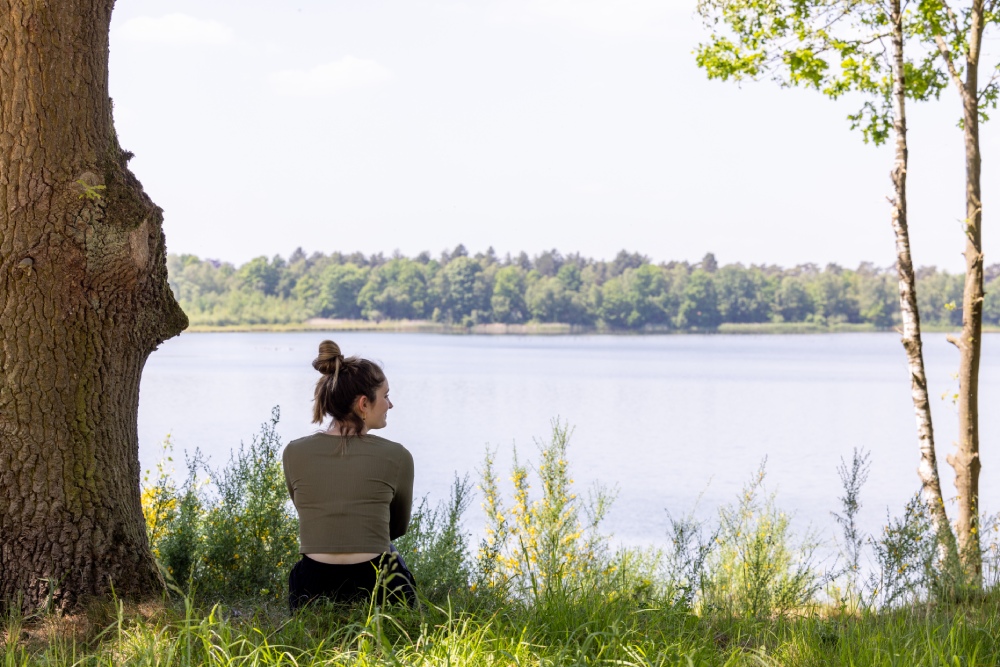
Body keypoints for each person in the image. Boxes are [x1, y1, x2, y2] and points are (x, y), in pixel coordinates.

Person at [282, 340, 416, 611]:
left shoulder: (294, 452)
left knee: (302, 571)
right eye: (386, 395)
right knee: (394, 561)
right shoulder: (398, 456)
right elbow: (397, 528)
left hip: (312, 585)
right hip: (376, 582)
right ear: (364, 404)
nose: (390, 404)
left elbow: (310, 513)